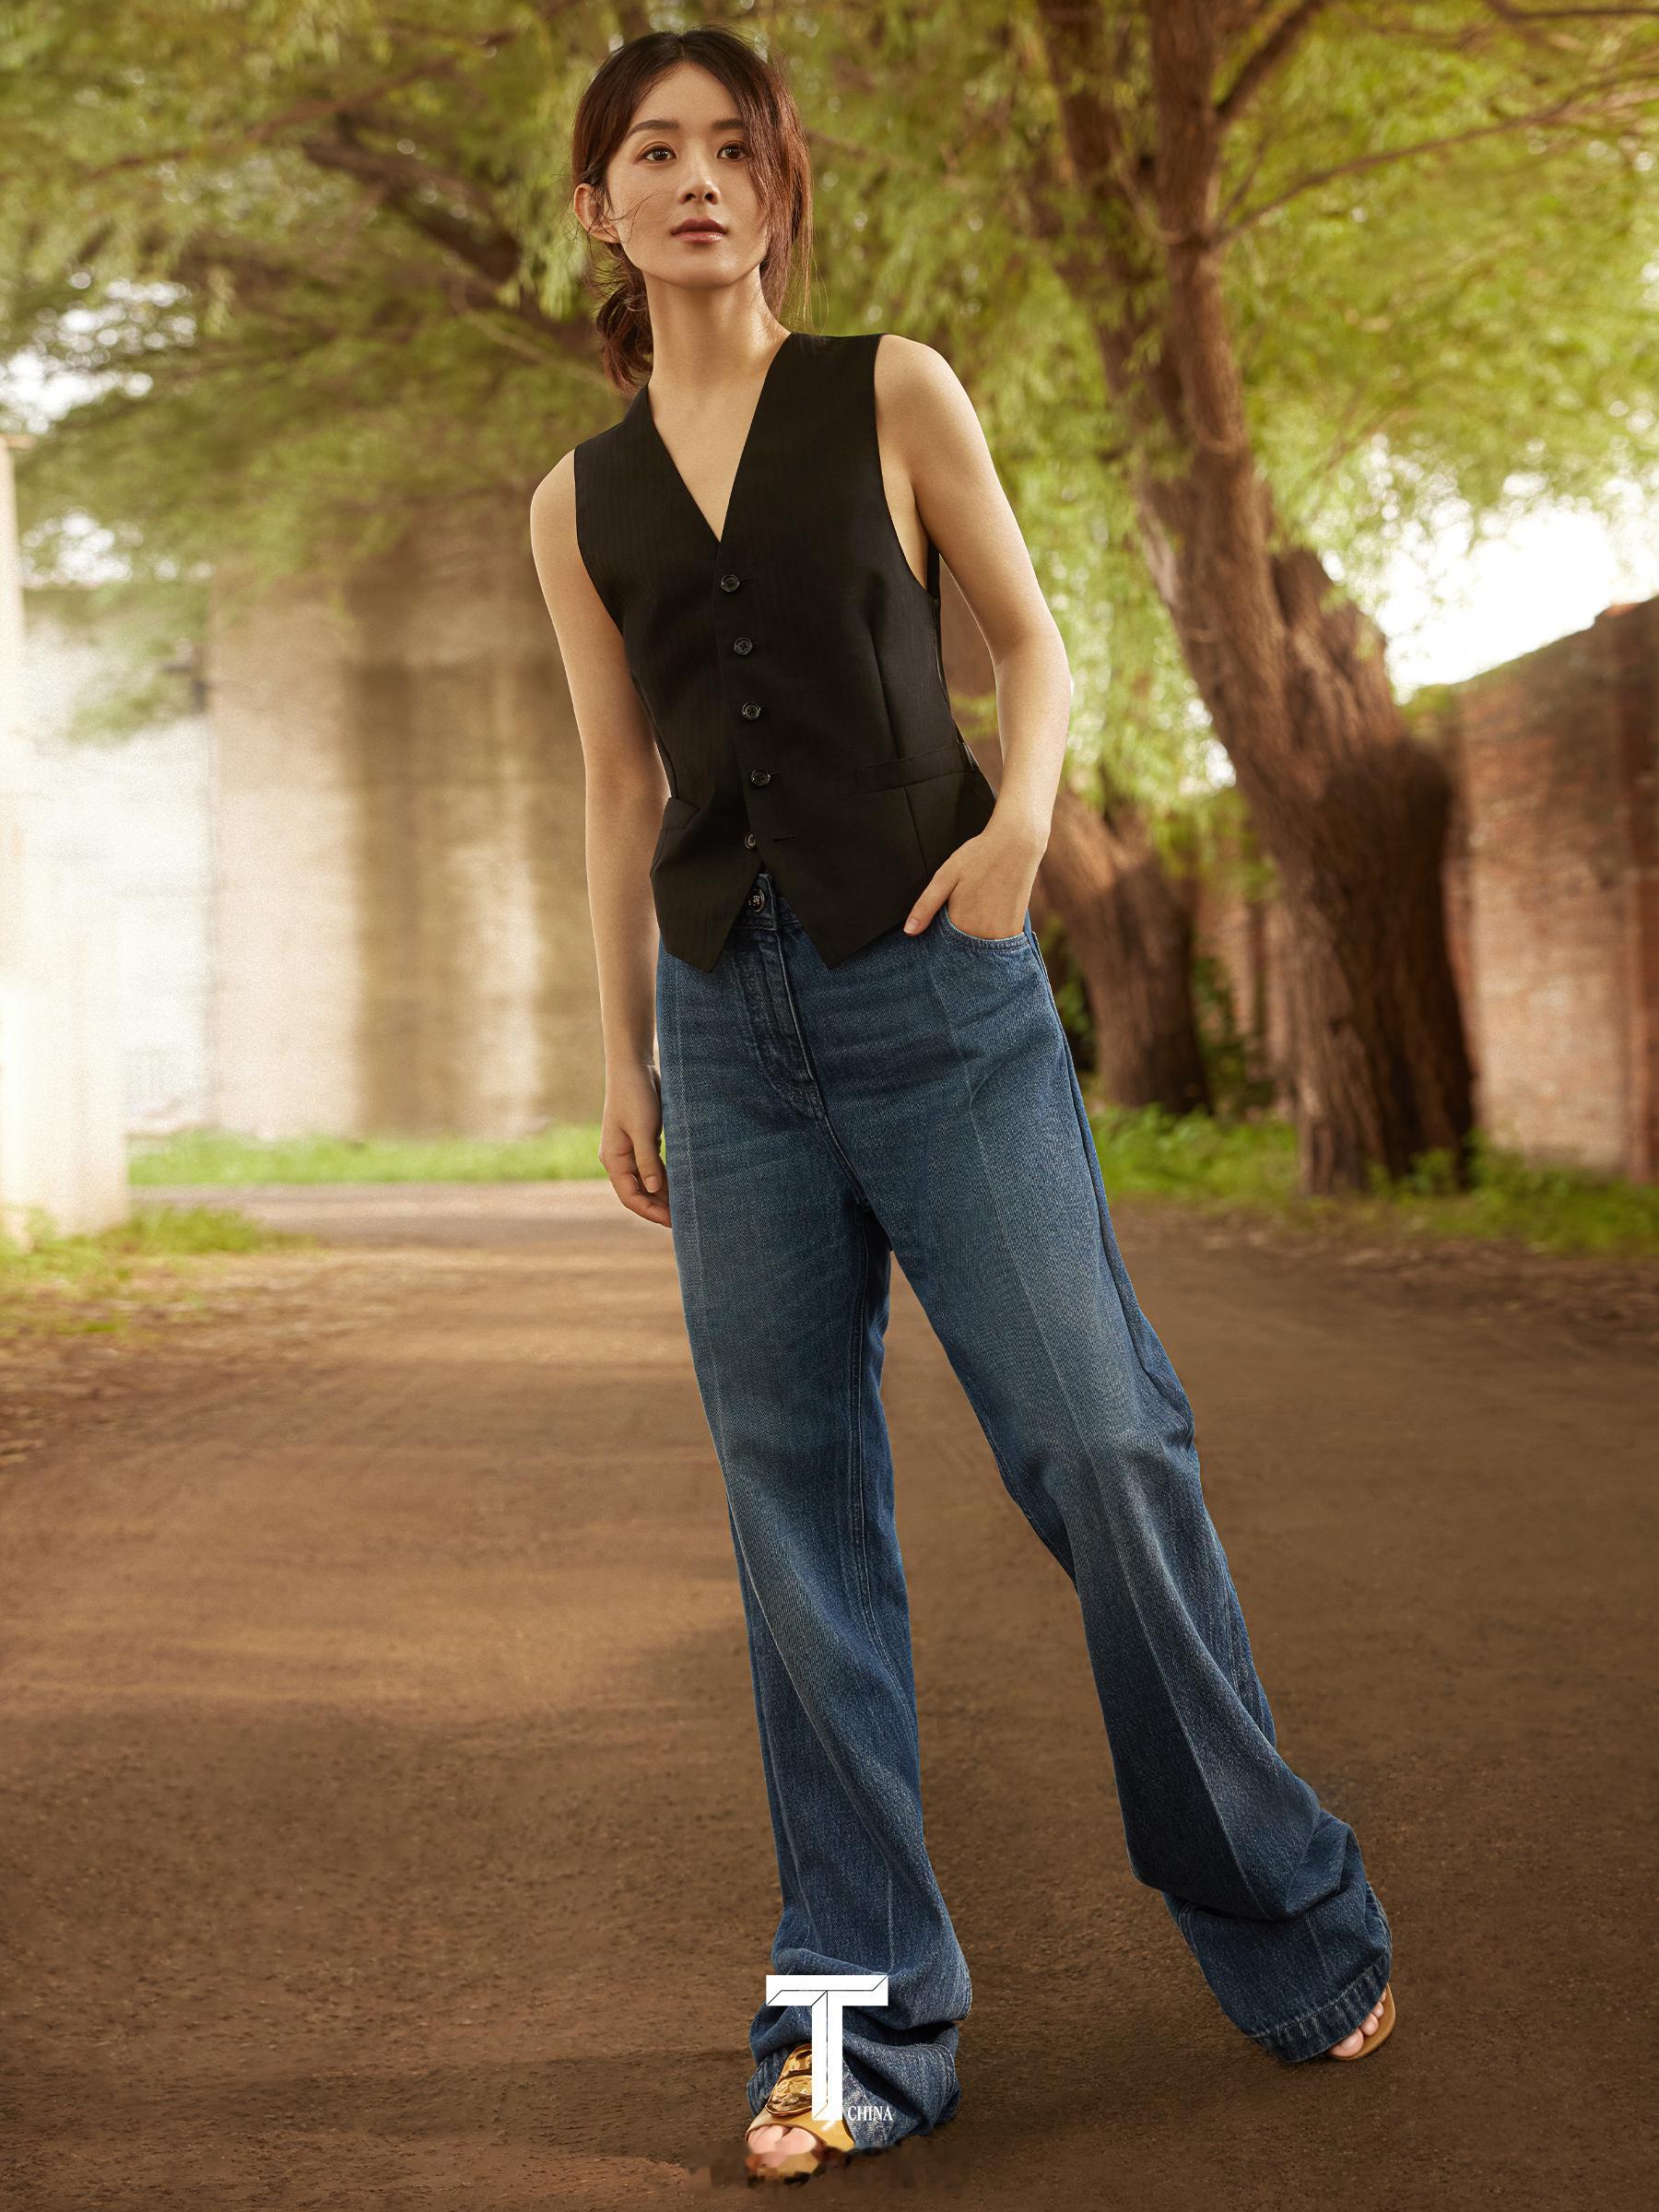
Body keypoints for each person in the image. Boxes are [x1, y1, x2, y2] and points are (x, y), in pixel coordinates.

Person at [530, 23, 1395, 2186]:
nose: (698, 179)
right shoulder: (574, 502)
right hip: (728, 1042)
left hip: (941, 994)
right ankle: (855, 2027)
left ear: (777, 186)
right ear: (598, 206)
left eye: (734, 148)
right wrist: (619, 1053)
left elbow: (1034, 641)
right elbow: (618, 785)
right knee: (797, 1530)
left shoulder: (892, 392)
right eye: (655, 152)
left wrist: (1020, 830)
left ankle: (1290, 1912)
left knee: (1100, 1442)